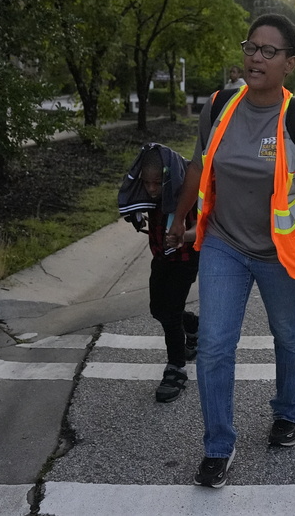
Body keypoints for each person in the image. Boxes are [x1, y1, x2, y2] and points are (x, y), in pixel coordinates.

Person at [167, 13, 295, 488]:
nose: (256, 57)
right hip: (224, 243)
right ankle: (217, 447)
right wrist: (177, 219)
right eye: (251, 47)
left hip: (280, 255)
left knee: (289, 338)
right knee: (215, 345)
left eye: (269, 51)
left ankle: (288, 411)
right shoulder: (220, 106)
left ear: (290, 64)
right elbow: (198, 165)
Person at [117, 143, 200, 403]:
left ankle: (176, 369)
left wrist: (182, 236)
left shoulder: (187, 187)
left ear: (167, 177)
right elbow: (137, 201)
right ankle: (194, 326)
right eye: (146, 183)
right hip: (161, 257)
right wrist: (136, 215)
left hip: (186, 258)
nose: (151, 189)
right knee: (157, 309)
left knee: (171, 313)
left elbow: (203, 230)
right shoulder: (151, 192)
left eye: (156, 183)